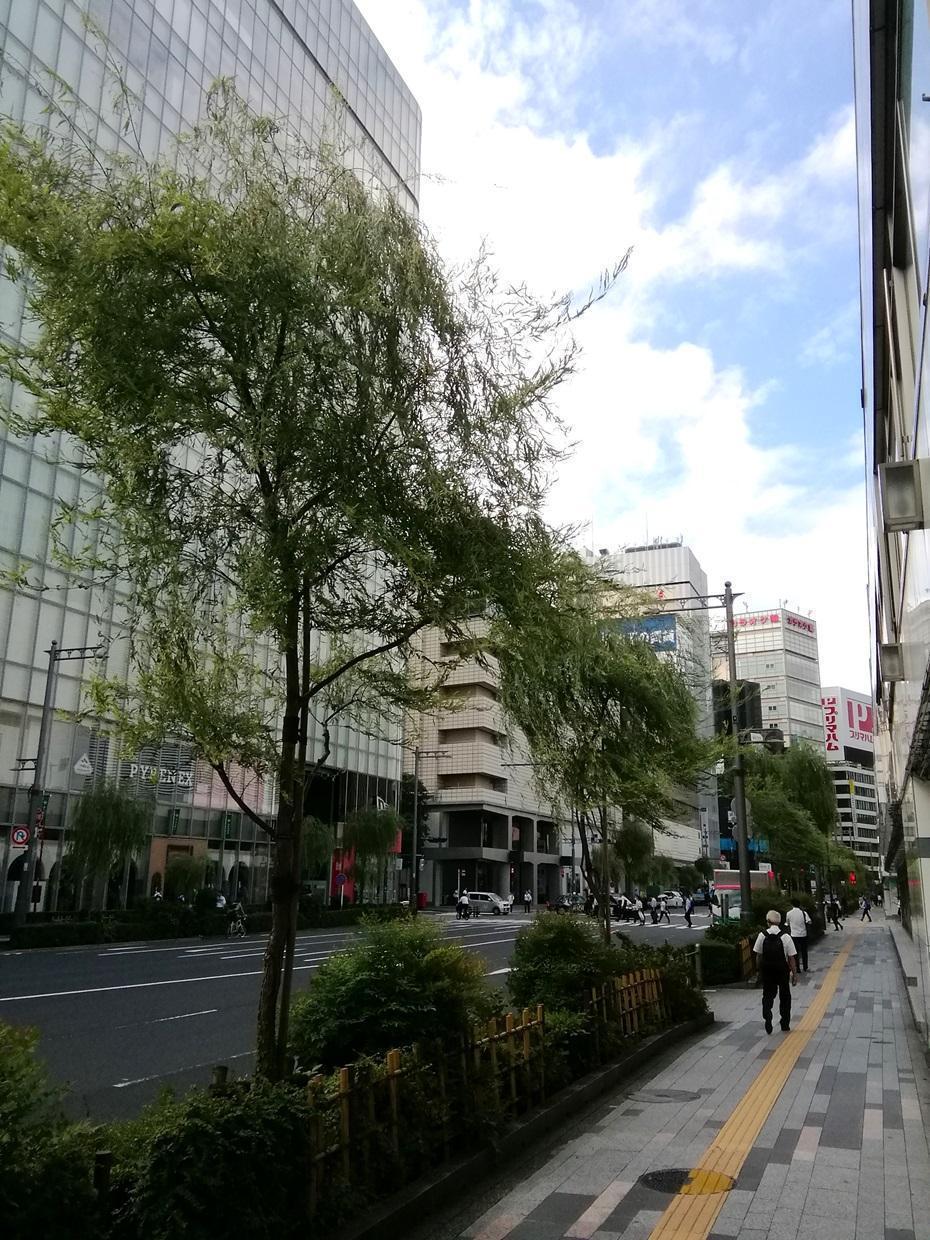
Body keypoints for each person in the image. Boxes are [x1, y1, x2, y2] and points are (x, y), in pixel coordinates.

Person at [753, 909, 798, 1034]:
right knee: (785, 996)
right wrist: (794, 974)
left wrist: (759, 969)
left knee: (768, 994)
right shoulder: (785, 937)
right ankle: (785, 1024)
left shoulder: (762, 935)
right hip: (782, 970)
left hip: (767, 970)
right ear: (779, 922)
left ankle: (767, 1014)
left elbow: (758, 955)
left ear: (768, 921)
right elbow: (791, 958)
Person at [785, 899, 812, 972]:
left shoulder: (789, 913)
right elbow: (809, 922)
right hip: (803, 934)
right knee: (804, 951)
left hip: (794, 935)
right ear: (799, 904)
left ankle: (797, 968)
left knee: (795, 952)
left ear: (792, 904)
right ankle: (805, 966)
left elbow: (787, 923)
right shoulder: (803, 913)